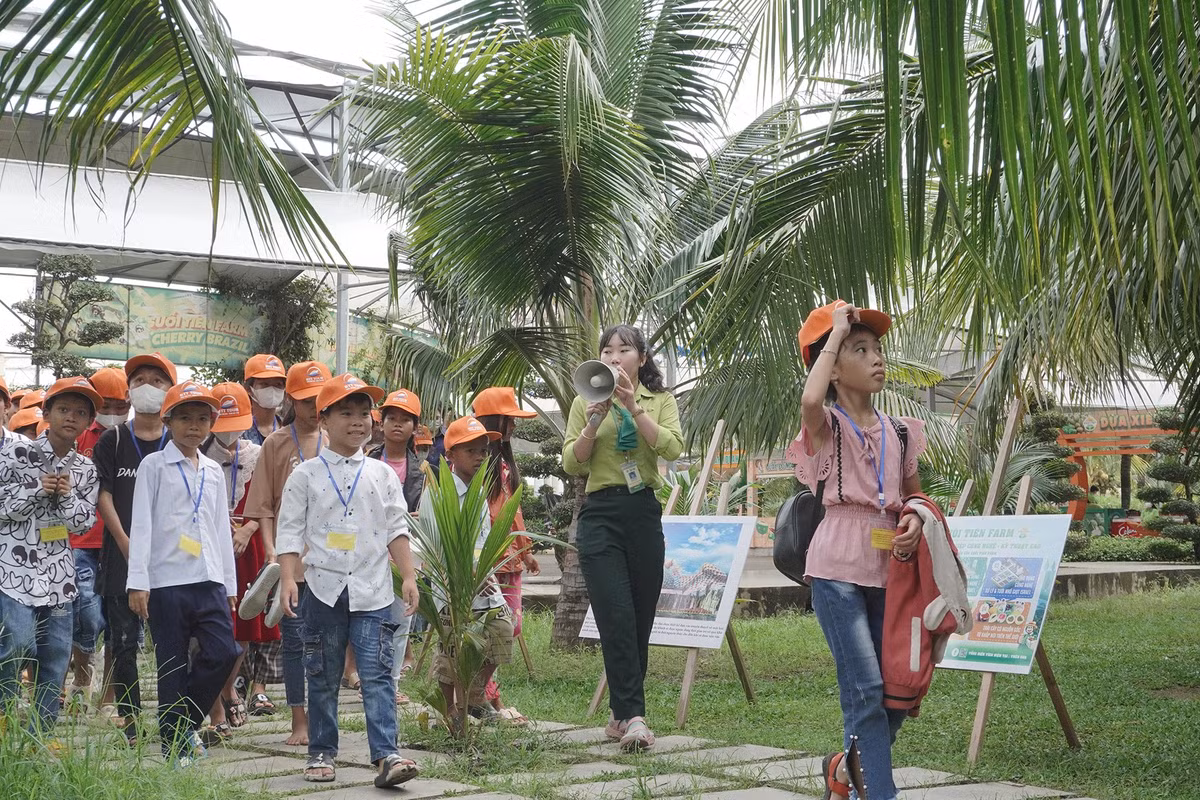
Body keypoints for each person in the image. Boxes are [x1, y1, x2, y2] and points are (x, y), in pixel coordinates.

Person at [790, 300, 928, 800]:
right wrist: (834, 334)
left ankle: (843, 770)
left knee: (895, 691)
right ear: (831, 369)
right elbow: (809, 401)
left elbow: (913, 495)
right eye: (860, 350)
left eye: (878, 350)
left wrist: (913, 518)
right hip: (836, 572)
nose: (876, 359)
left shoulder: (903, 429)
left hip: (891, 569)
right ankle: (880, 794)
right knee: (865, 690)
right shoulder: (825, 424)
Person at [276, 373, 420, 787]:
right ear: (324, 420)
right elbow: (289, 531)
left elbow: (396, 528)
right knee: (321, 672)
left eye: (363, 413)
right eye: (346, 413)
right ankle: (322, 751)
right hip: (322, 589)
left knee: (376, 672)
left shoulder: (380, 474)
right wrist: (289, 578)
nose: (358, 422)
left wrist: (407, 574)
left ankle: (387, 755)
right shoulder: (305, 475)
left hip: (374, 589)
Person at [562, 324, 683, 752]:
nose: (614, 357)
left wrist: (634, 407)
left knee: (639, 619)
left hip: (643, 512)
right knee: (615, 615)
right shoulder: (584, 400)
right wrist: (592, 422)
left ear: (641, 359)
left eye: (624, 350)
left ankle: (619, 715)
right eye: (607, 350)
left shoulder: (660, 400)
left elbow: (671, 448)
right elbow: (572, 464)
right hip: (600, 515)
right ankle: (634, 717)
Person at [127, 381, 240, 764]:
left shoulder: (212, 470)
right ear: (168, 420)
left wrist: (229, 583)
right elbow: (141, 524)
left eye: (203, 419)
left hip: (208, 579)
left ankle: (181, 724)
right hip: (167, 582)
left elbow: (220, 528)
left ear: (212, 424)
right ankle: (174, 746)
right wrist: (138, 583)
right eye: (186, 418)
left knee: (224, 652)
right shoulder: (153, 466)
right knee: (171, 664)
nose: (195, 426)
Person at [0, 376, 101, 734]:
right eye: (63, 409)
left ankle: (40, 734)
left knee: (56, 655)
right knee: (15, 643)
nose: (71, 418)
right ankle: (5, 720)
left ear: (89, 423)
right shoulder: (14, 453)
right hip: (13, 567)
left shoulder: (86, 469)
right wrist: (35, 489)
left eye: (80, 413)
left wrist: (67, 495)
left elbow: (82, 523)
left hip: (59, 574)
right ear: (46, 412)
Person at [242, 360, 331, 744]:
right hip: (291, 562)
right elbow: (262, 506)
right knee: (294, 641)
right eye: (306, 399)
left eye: (320, 398)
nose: (314, 407)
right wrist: (272, 553)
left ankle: (324, 718)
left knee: (326, 642)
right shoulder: (276, 444)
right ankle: (299, 720)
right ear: (291, 399)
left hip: (330, 561)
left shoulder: (337, 441)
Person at [93, 351, 177, 743]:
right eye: (140, 379)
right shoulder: (112, 439)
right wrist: (128, 544)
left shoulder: (177, 440)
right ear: (129, 390)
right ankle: (130, 722)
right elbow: (104, 495)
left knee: (169, 640)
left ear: (170, 391)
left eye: (158, 381)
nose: (148, 387)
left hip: (171, 561)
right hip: (120, 559)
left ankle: (174, 717)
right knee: (123, 642)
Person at [422, 416, 516, 729]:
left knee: (503, 628)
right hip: (451, 586)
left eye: (483, 451)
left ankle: (474, 696)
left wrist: (486, 572)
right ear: (450, 455)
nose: (479, 457)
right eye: (471, 451)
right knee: (452, 648)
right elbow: (434, 546)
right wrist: (461, 579)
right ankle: (450, 711)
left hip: (482, 582)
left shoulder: (479, 491)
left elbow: (482, 541)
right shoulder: (437, 493)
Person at [202, 382, 278, 740]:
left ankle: (230, 687)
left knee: (245, 623)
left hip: (248, 548)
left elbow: (271, 500)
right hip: (211, 548)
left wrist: (248, 529)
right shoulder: (198, 455)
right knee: (213, 627)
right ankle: (215, 704)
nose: (230, 431)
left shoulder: (256, 454)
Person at [472, 387, 540, 725]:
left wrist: (525, 551)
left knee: (508, 626)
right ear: (493, 422)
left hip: (509, 560)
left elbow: (513, 512)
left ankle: (483, 691)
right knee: (489, 628)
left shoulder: (504, 467)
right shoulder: (477, 464)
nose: (513, 425)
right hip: (486, 561)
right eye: (509, 419)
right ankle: (484, 694)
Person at [66, 366, 129, 712]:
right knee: (88, 616)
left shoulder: (132, 439)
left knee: (120, 624)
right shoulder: (79, 436)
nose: (115, 412)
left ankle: (108, 698)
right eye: (108, 405)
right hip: (82, 543)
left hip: (120, 543)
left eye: (122, 405)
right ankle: (82, 677)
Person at [367, 388, 426, 701]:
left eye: (406, 420)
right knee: (370, 620)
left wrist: (415, 516)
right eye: (392, 418)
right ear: (381, 422)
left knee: (401, 618)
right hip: (369, 550)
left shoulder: (425, 472)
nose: (398, 424)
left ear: (415, 427)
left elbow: (428, 517)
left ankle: (391, 683)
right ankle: (368, 678)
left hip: (406, 552)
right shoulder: (364, 462)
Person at [242, 354, 287, 445]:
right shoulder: (239, 431)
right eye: (265, 384)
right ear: (248, 389)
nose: (272, 389)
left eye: (278, 384)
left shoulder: (289, 430)